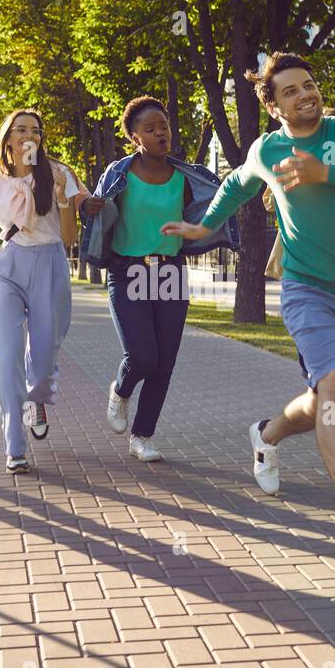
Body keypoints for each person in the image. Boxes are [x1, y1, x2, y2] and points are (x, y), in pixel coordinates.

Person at [162, 52, 335, 543]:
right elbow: (235, 184)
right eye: (291, 91)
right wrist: (204, 225)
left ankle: (267, 434)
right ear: (274, 107)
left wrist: (327, 174)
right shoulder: (267, 150)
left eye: (309, 84)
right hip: (304, 288)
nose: (305, 94)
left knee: (323, 400)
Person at [80, 96, 239, 461]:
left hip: (169, 270)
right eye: (149, 129)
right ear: (135, 137)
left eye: (163, 127)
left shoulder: (186, 177)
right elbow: (99, 211)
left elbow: (210, 212)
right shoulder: (119, 173)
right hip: (129, 270)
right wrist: (90, 208)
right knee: (142, 355)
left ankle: (143, 435)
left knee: (164, 361)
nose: (159, 134)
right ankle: (120, 391)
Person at [0, 109, 87, 474]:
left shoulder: (59, 173)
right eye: (21, 129)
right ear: (8, 139)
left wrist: (63, 199)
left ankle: (37, 399)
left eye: (35, 130)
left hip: (50, 264)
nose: (28, 135)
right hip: (8, 268)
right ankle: (14, 445)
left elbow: (69, 239)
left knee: (45, 355)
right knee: (7, 352)